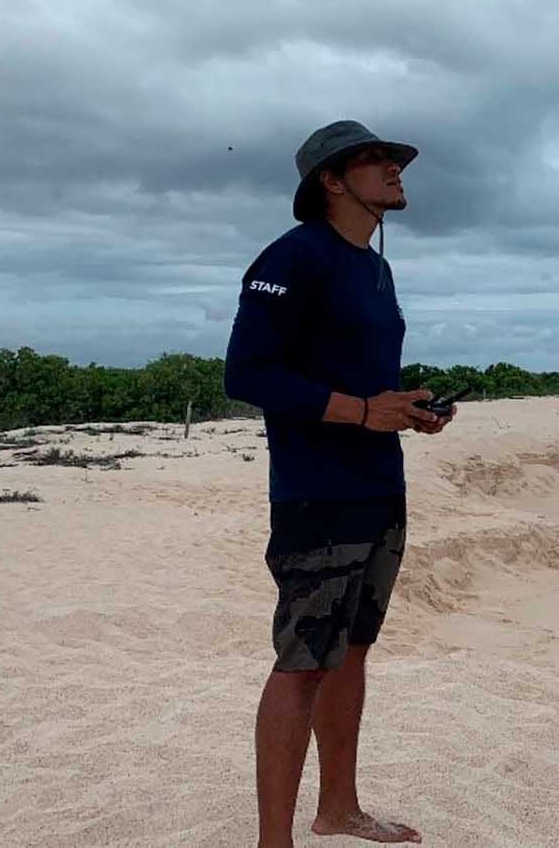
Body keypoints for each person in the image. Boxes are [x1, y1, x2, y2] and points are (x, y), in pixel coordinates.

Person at [225, 119, 449, 847]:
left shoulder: (375, 267)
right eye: (374, 159)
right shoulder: (293, 257)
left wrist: (405, 409)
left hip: (380, 486)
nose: (394, 168)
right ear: (330, 178)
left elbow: (363, 384)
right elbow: (246, 372)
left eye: (394, 159)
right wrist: (359, 410)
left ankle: (339, 808)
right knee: (302, 661)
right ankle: (273, 839)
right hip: (316, 493)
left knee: (352, 649)